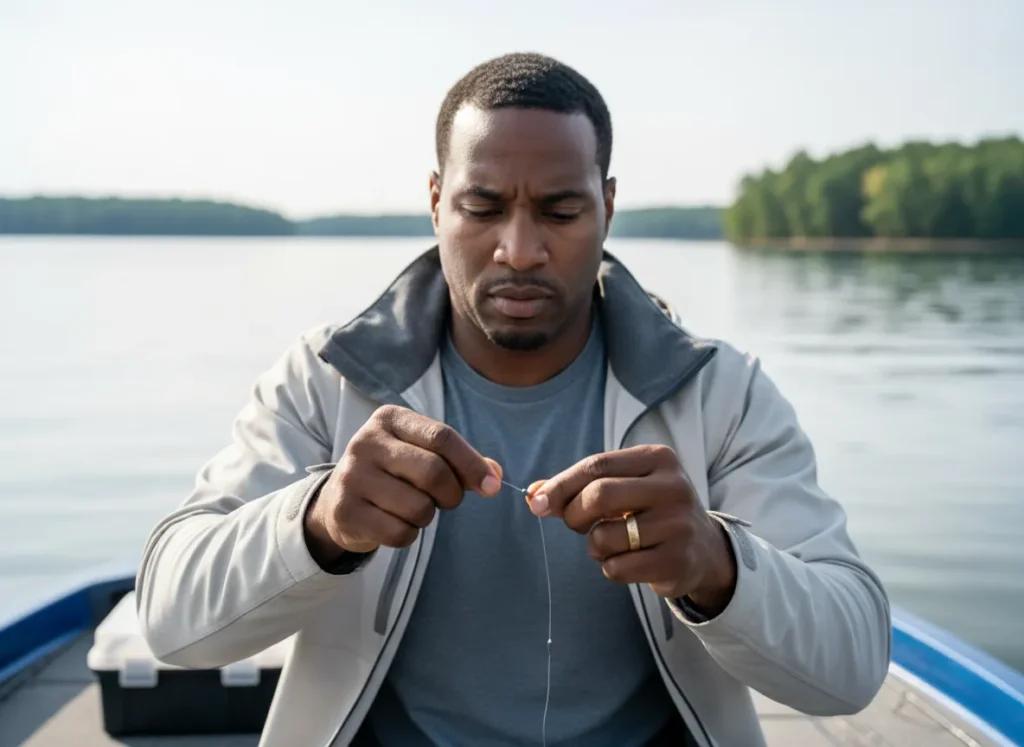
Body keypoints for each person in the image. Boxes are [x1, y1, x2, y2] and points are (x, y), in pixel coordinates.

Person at [136, 52, 891, 747]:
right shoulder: (327, 378)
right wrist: (319, 520)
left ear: (608, 205)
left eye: (561, 212)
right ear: (436, 203)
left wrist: (715, 563)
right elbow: (173, 623)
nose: (521, 250)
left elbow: (852, 667)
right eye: (484, 207)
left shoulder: (720, 392)